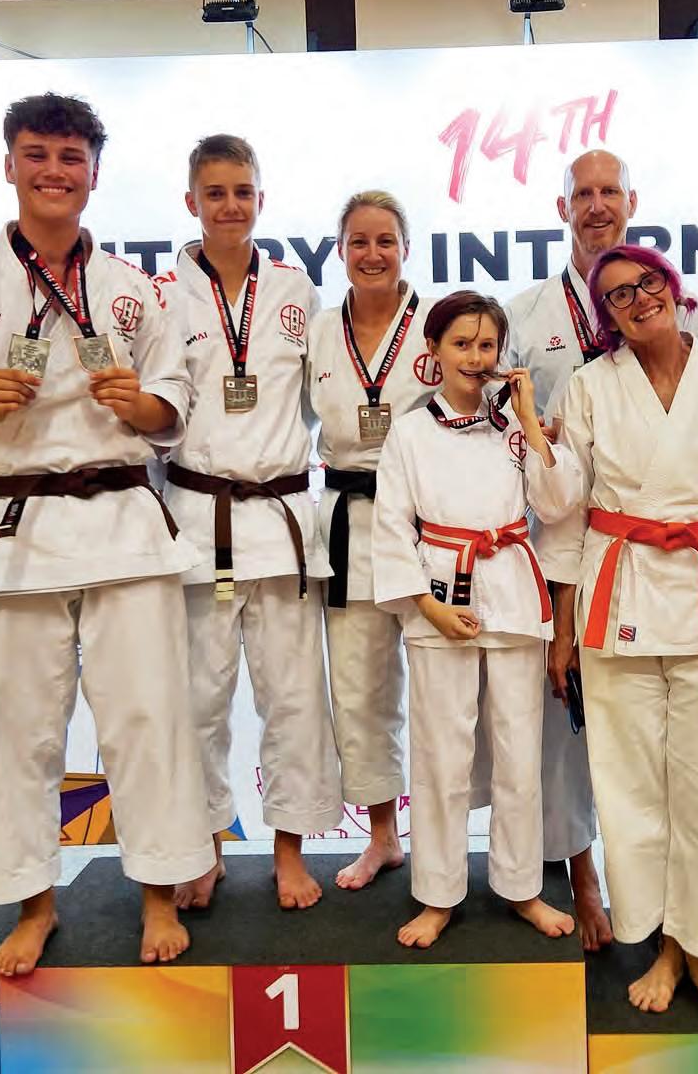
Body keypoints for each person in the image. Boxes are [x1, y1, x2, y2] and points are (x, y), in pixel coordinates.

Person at [0, 93, 215, 973]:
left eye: (71, 157)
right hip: (14, 527)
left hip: (122, 522)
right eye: (37, 154)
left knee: (148, 716)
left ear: (95, 174)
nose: (54, 171)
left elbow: (174, 403)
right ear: (9, 165)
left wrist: (140, 406)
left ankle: (158, 892)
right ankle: (36, 904)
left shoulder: (135, 289)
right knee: (17, 729)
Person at [502, 149, 698, 951]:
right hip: (562, 547)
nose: (596, 205)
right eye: (582, 194)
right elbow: (500, 430)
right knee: (563, 728)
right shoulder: (526, 314)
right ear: (561, 208)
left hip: (660, 557)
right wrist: (535, 435)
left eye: (608, 192)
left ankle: (672, 909)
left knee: (658, 742)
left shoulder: (684, 312)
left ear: (632, 201)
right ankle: (583, 875)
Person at [541, 244, 698, 1022]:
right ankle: (665, 946)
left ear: (672, 286)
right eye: (617, 295)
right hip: (620, 597)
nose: (638, 300)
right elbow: (566, 511)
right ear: (607, 317)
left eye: (646, 284)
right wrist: (562, 629)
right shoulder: (590, 386)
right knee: (634, 791)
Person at [157, 134, 342, 911]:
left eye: (242, 192)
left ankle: (289, 851)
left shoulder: (297, 290)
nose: (230, 206)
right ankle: (204, 847)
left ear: (261, 200)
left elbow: (323, 398)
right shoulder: (163, 294)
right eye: (215, 192)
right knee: (198, 701)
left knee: (294, 698)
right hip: (198, 521)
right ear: (191, 201)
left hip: (282, 520)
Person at [372, 290, 582, 948]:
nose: (474, 356)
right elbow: (391, 527)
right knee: (443, 752)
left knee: (520, 750)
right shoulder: (409, 432)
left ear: (502, 353)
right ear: (433, 350)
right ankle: (438, 894)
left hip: (512, 593)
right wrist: (428, 606)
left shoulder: (516, 426)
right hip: (441, 594)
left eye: (486, 344)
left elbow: (559, 503)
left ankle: (521, 888)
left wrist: (532, 420)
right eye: (461, 343)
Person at [308, 190, 441, 890]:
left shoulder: (438, 326)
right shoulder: (317, 332)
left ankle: (445, 840)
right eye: (358, 241)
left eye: (385, 240)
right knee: (360, 688)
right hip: (346, 520)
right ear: (340, 251)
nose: (372, 253)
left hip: (427, 523)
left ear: (406, 249)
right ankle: (383, 836)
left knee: (443, 687)